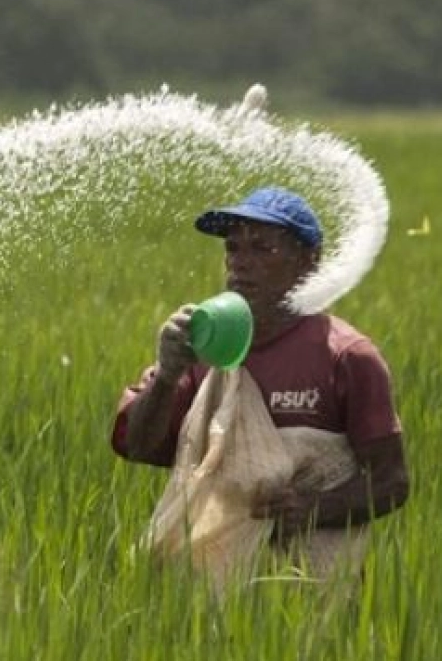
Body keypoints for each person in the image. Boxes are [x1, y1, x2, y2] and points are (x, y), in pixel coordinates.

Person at [111, 187, 409, 566]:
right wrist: (167, 376)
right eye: (233, 248)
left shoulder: (347, 356)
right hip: (209, 589)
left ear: (308, 262)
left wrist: (313, 507)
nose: (241, 262)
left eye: (263, 249)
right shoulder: (202, 348)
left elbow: (391, 482)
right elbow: (138, 446)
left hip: (313, 591)